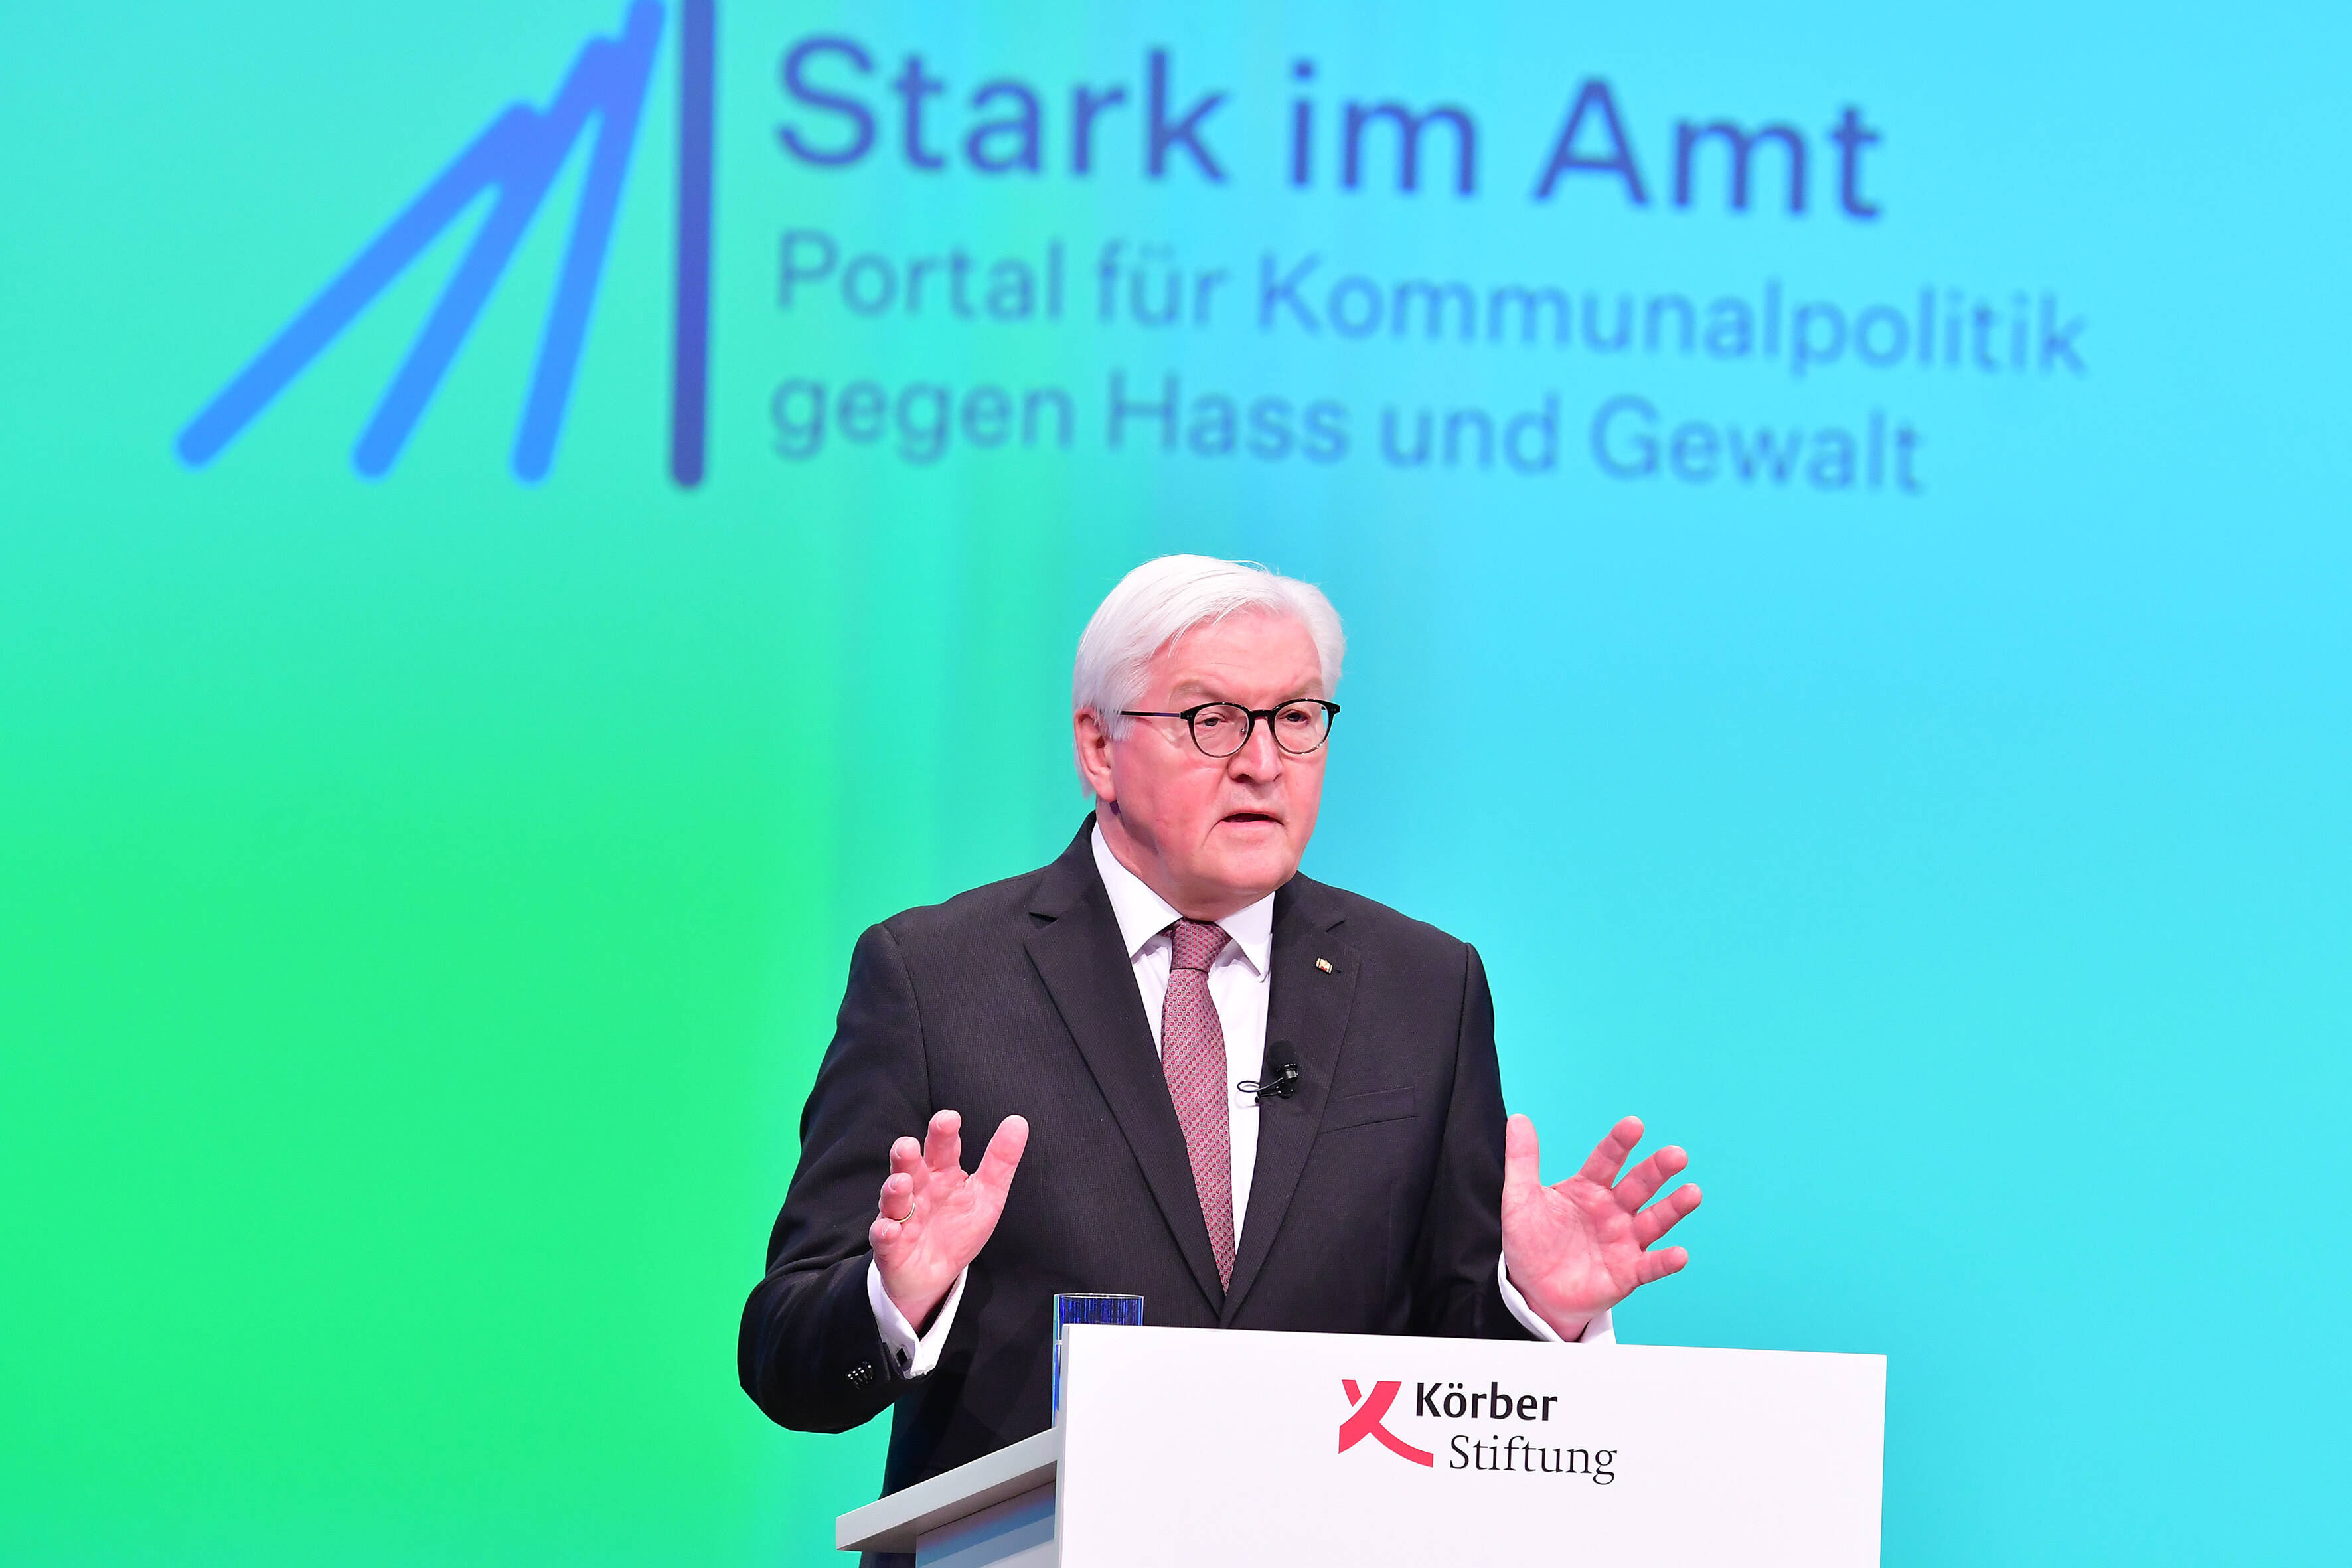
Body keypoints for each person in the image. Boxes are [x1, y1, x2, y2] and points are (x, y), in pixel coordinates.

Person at [738, 556, 1701, 1514]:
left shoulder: (1424, 987)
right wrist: (895, 1298)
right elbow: (784, 1357)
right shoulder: (935, 977)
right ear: (1099, 748)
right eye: (1213, 719)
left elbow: (1456, 1385)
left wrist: (1539, 1309)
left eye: (1297, 718)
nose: (1262, 762)